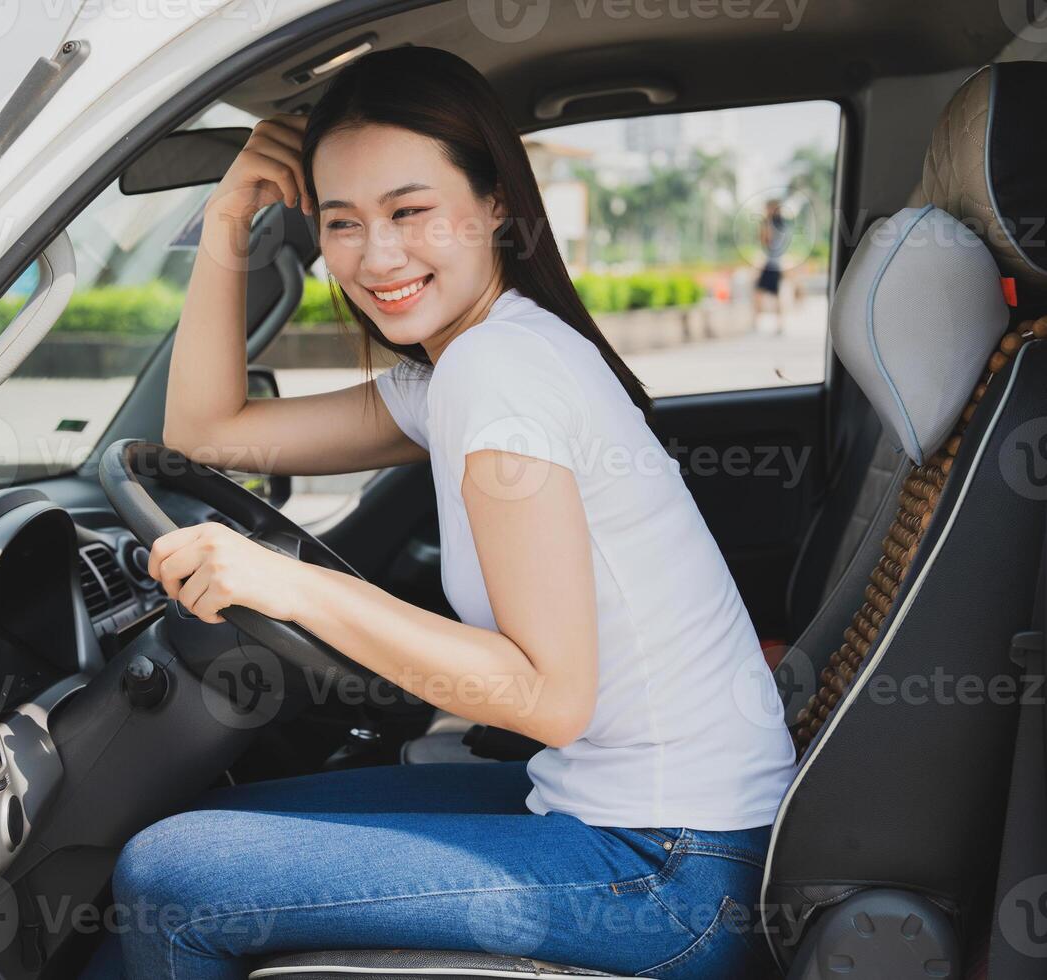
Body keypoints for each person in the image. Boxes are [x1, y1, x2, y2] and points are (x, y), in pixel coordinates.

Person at [81, 45, 797, 980]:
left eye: (410, 211)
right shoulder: (472, 363)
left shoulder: (501, 375)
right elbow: (211, 430)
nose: (377, 258)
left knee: (172, 873)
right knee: (213, 822)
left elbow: (548, 696)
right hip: (650, 831)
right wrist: (225, 220)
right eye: (342, 223)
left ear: (496, 202)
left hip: (668, 869)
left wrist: (291, 586)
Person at [752, 200, 791, 335]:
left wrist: (766, 223)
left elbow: (765, 240)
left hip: (772, 264)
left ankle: (761, 324)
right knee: (769, 294)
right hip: (775, 263)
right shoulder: (782, 225)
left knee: (761, 293)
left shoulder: (774, 225)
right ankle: (775, 325)